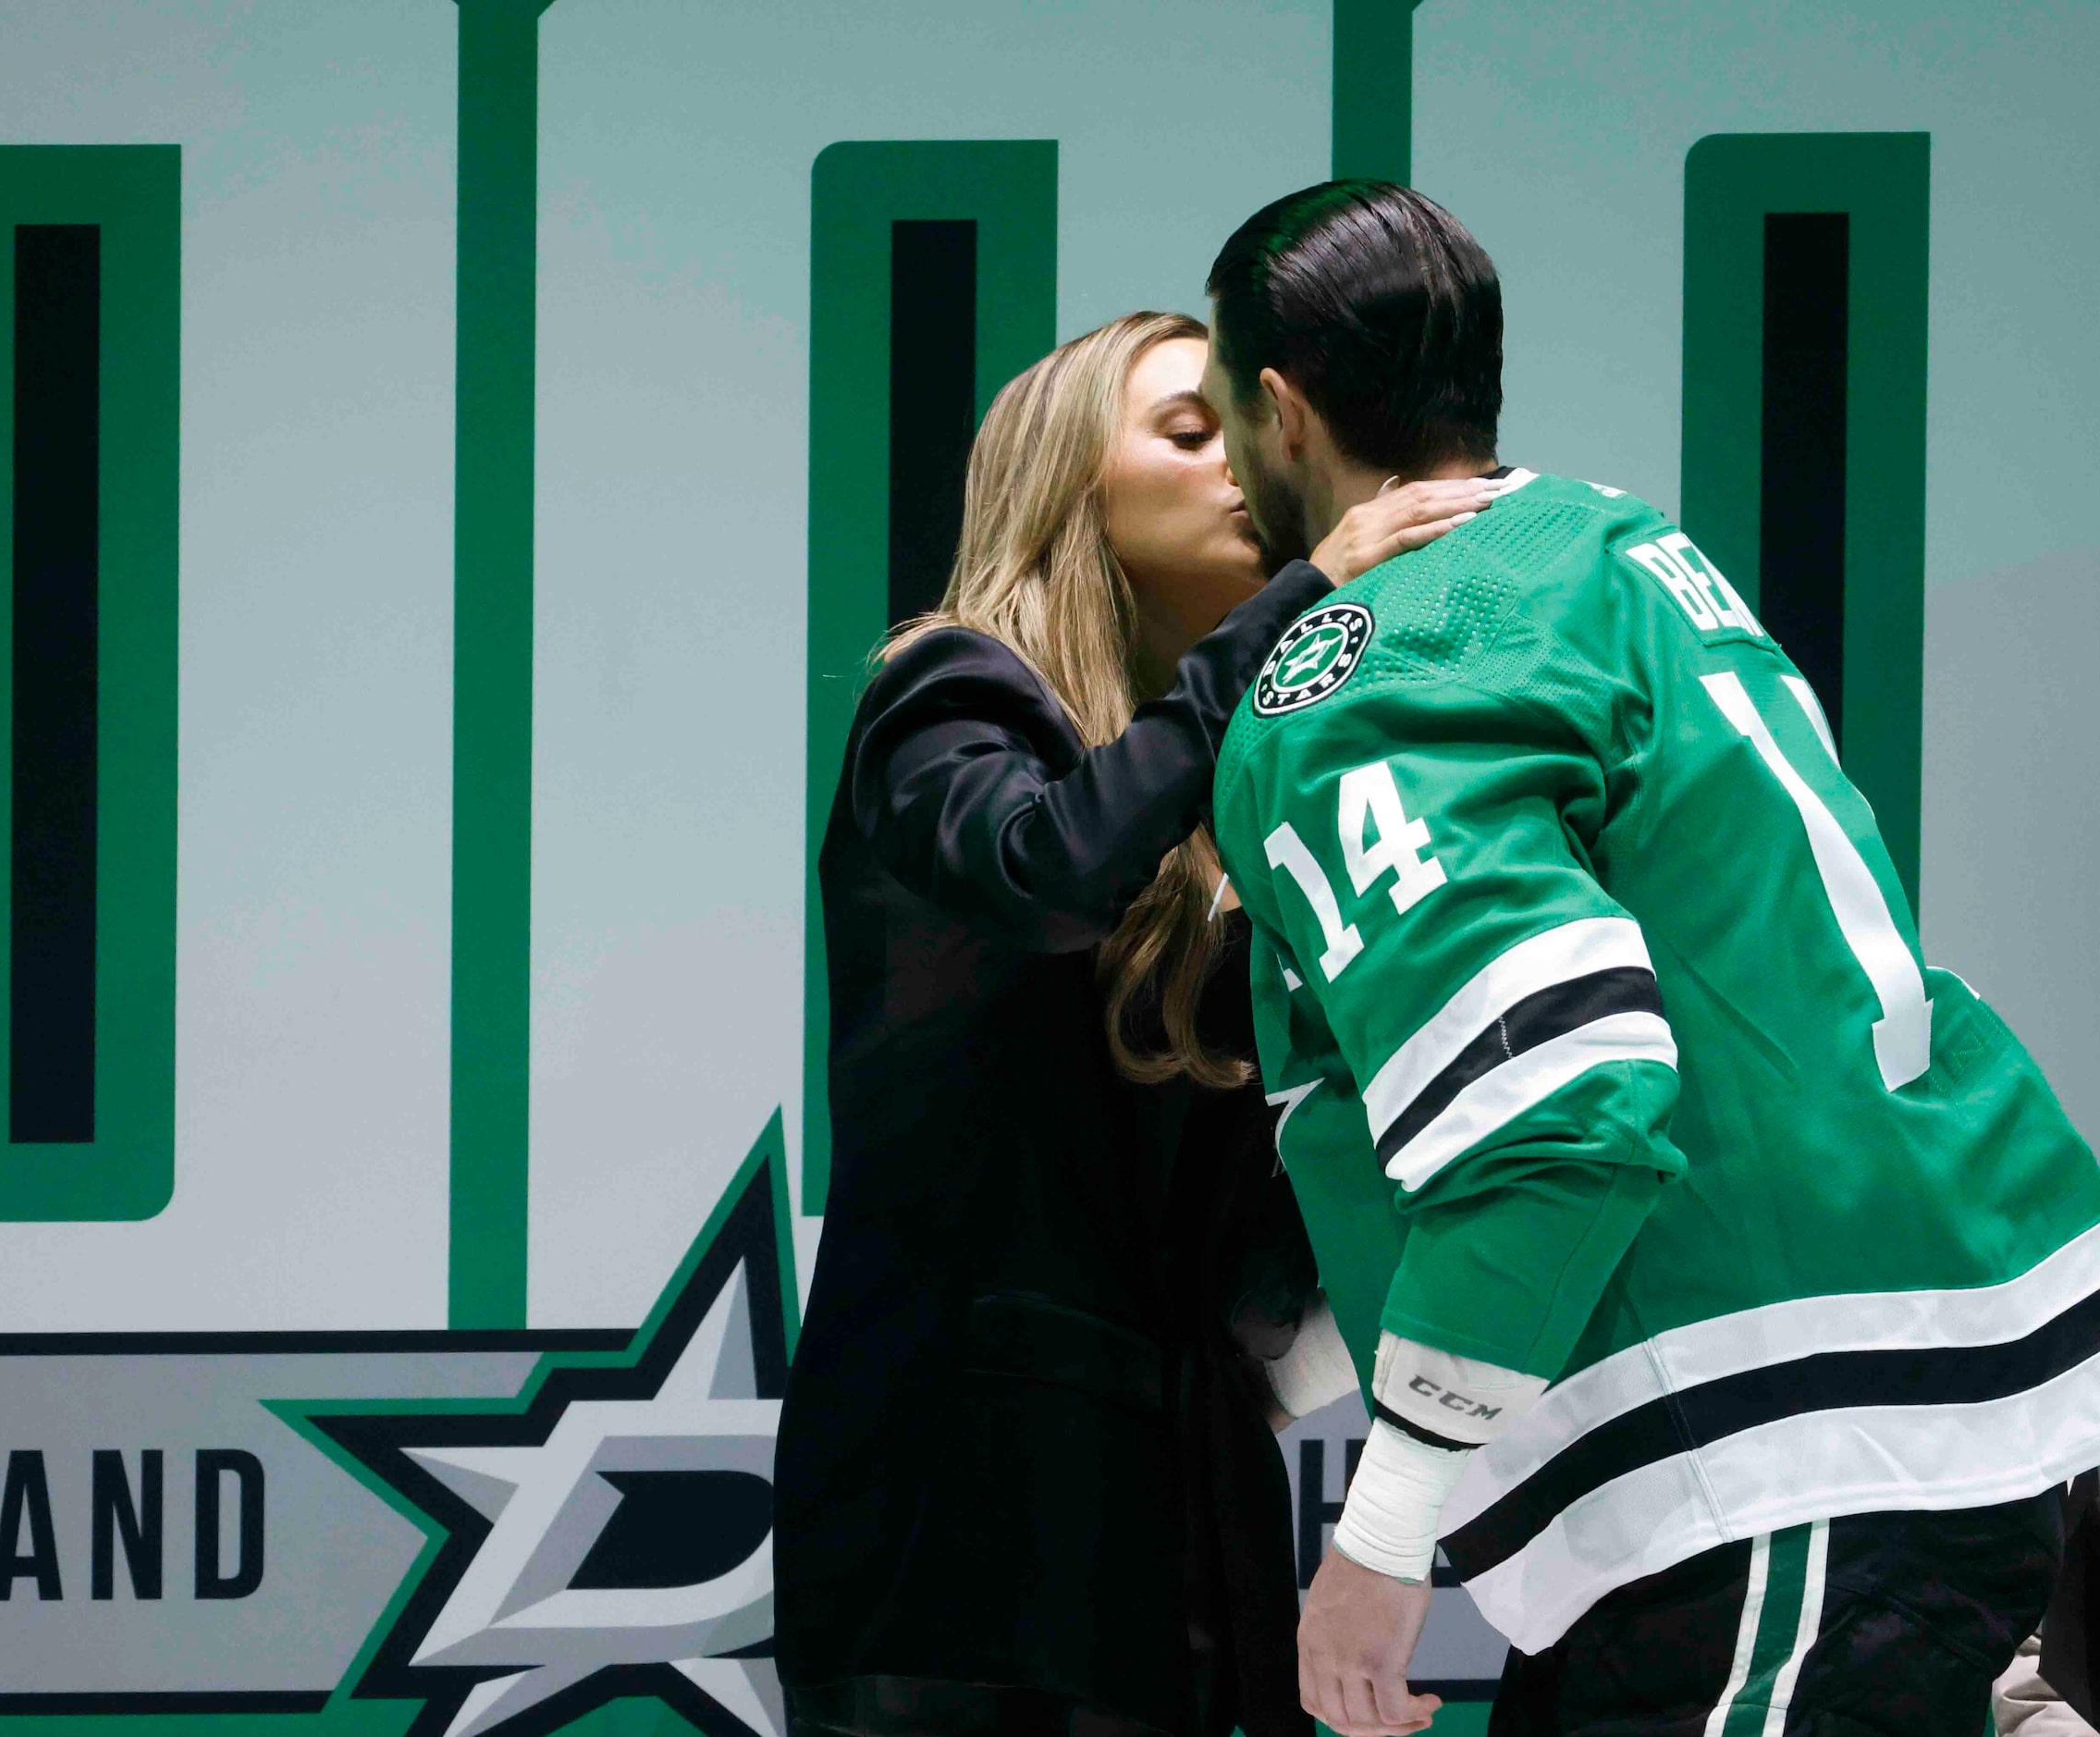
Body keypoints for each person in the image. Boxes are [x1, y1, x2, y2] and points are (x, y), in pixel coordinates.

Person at [1198, 179, 2100, 1737]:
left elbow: (1558, 1114)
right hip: (1926, 1393)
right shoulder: (1618, 549)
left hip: (1777, 1455)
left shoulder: (1370, 659)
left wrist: (1383, 1533)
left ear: (1282, 412)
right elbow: (1690, 1017)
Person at [773, 310, 1491, 1737]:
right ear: (1066, 485)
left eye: (1251, 432)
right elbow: (1040, 873)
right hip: (962, 1554)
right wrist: (1291, 613)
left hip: (1173, 1547)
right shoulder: (944, 693)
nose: (1245, 465)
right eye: (1186, 430)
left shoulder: (1227, 796)